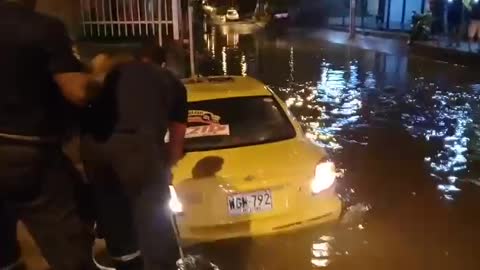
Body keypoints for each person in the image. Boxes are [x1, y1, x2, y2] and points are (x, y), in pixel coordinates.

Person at [0, 0, 100, 269]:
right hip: (25, 151)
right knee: (70, 246)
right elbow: (76, 91)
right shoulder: (43, 28)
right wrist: (99, 76)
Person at [81, 45, 187, 270]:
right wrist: (164, 168)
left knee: (115, 217)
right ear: (161, 63)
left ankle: (124, 259)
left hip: (94, 149)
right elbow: (176, 143)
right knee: (153, 223)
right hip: (138, 150)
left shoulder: (109, 72)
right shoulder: (170, 81)